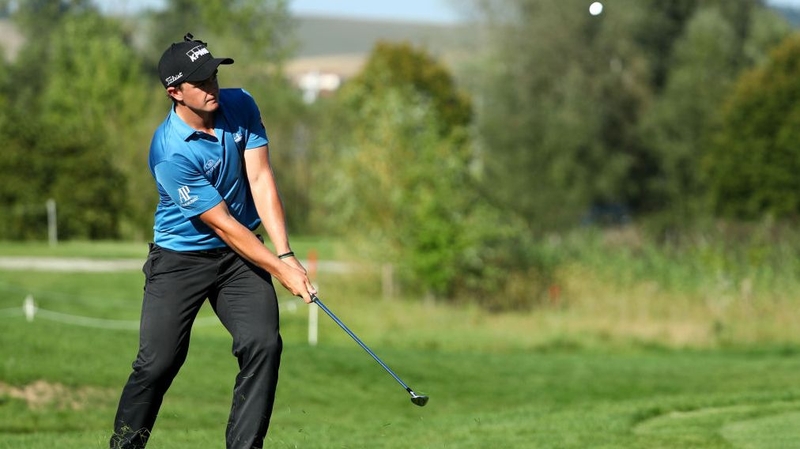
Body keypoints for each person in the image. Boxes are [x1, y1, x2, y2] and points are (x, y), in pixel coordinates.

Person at [110, 33, 316, 449]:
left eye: (214, 76)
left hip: (240, 260)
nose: (212, 87)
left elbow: (260, 178)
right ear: (175, 92)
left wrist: (286, 253)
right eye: (200, 82)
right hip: (180, 260)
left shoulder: (240, 105)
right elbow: (221, 223)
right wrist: (280, 271)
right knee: (158, 364)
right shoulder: (169, 151)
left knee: (263, 344)